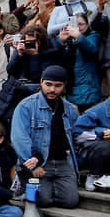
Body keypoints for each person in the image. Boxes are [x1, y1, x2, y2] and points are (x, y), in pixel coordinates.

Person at [10, 65, 80, 208]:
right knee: (42, 200)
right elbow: (19, 138)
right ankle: (24, 180)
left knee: (71, 201)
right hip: (40, 162)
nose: (52, 90)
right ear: (41, 82)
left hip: (62, 161)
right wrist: (32, 165)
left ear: (64, 85)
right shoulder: (26, 106)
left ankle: (50, 187)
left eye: (58, 86)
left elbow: (78, 133)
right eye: (48, 84)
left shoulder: (70, 109)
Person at [50, 12, 102, 111]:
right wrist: (61, 41)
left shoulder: (92, 36)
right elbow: (55, 56)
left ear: (88, 25)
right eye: (75, 24)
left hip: (87, 86)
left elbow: (92, 49)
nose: (78, 27)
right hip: (70, 86)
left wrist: (79, 37)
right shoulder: (68, 40)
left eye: (81, 24)